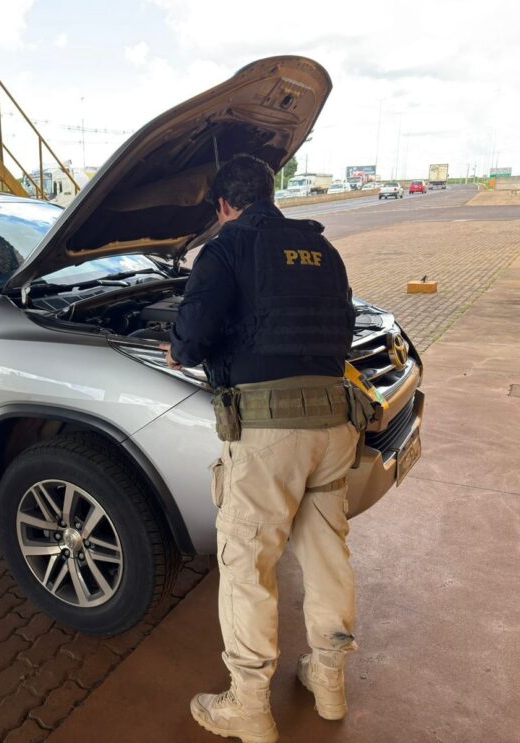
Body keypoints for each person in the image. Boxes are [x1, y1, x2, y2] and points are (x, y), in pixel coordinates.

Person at [161, 154, 368, 742]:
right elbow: (342, 328)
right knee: (327, 554)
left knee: (248, 563)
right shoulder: (322, 250)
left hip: (269, 433)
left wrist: (178, 348)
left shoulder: (225, 249)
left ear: (225, 206)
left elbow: (194, 336)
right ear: (269, 195)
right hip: (334, 423)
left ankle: (249, 705)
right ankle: (328, 681)